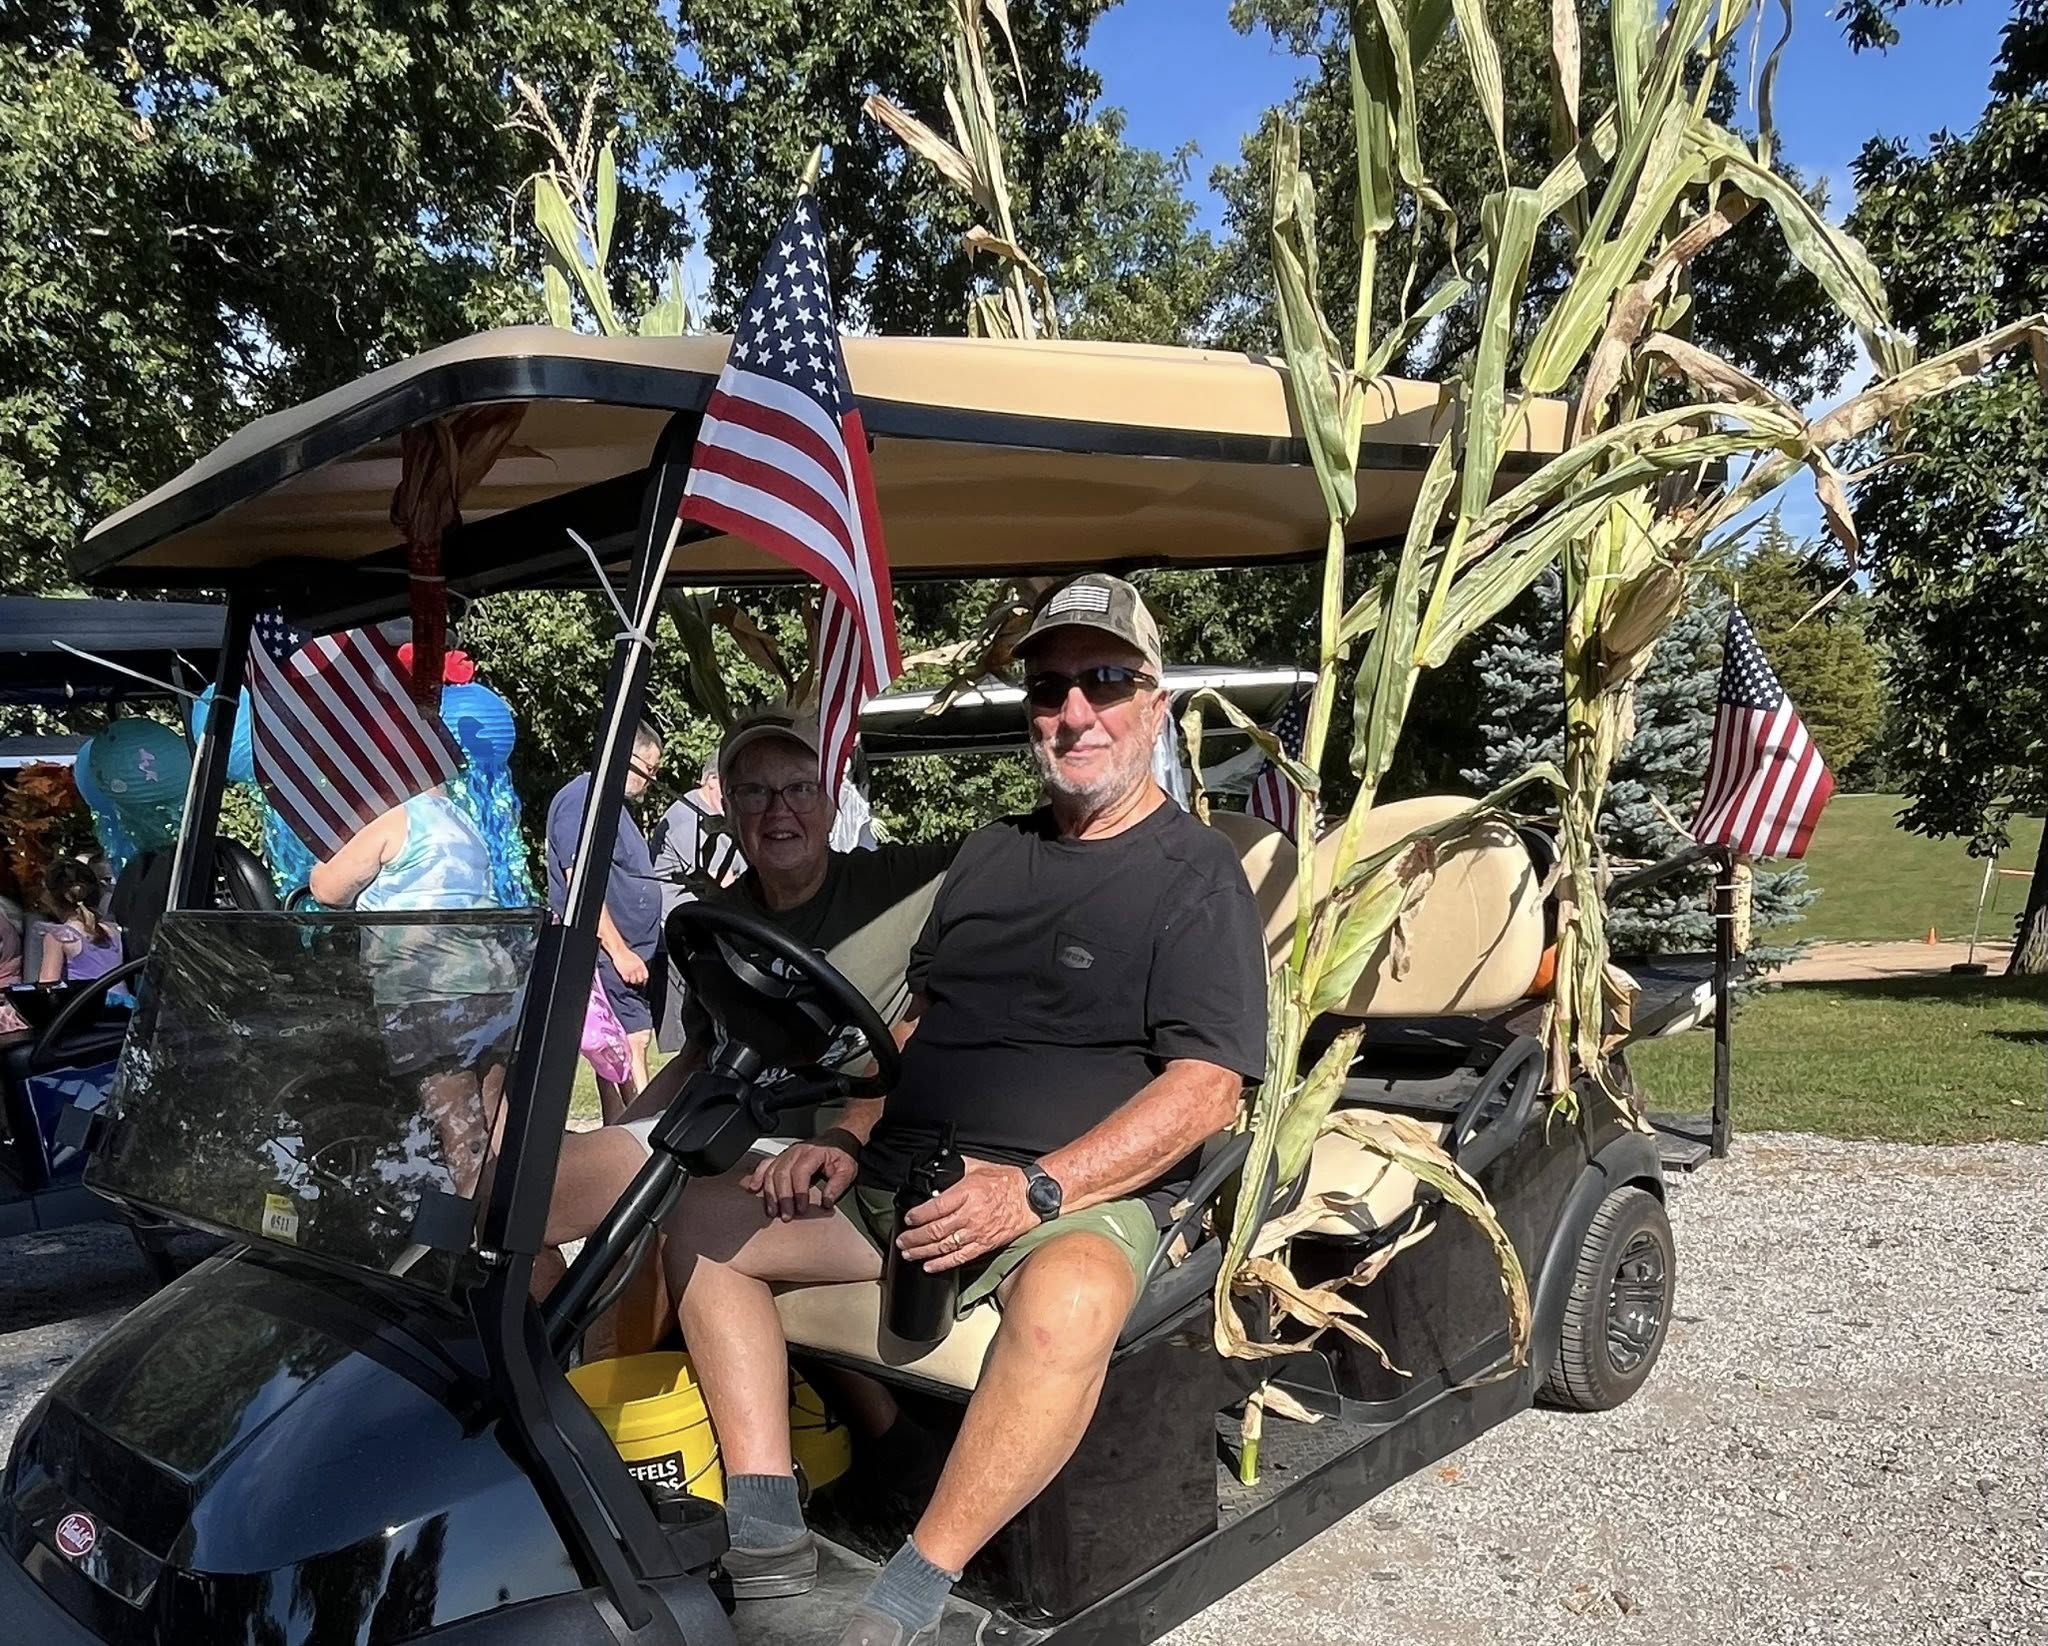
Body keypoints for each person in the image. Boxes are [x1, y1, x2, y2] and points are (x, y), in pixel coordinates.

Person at [659, 575, 1268, 1646]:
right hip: (907, 1174)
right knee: (703, 1219)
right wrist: (847, 1137)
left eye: (1104, 681)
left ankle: (910, 1588)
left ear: (1153, 704)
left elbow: (1207, 1086)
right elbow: (919, 1022)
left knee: (1072, 1299)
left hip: (1068, 1196)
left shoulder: (1195, 872)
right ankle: (767, 1538)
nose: (1073, 711)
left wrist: (1033, 1189)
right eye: (1049, 689)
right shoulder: (989, 852)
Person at [309, 787, 522, 1199]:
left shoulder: (393, 816)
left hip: (429, 993)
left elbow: (328, 890)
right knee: (497, 1119)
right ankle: (523, 1220)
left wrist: (325, 851)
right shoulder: (459, 818)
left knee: (460, 1131)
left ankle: (476, 1232)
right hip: (492, 986)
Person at [547, 721, 665, 1113]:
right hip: (606, 953)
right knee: (630, 1042)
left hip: (625, 952)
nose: (651, 779)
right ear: (627, 759)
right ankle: (639, 1133)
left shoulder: (612, 805)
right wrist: (619, 951)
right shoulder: (582, 800)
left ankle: (620, 1128)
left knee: (621, 1047)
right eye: (649, 768)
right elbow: (581, 883)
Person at [37, 859, 124, 985]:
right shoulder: (113, 932)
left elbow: (48, 986)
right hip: (123, 998)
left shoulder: (60, 936)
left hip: (89, 997)